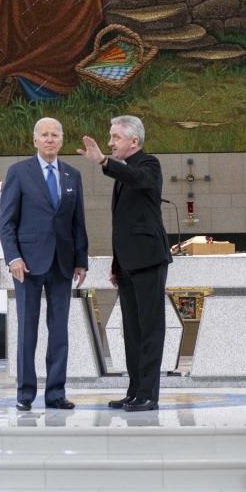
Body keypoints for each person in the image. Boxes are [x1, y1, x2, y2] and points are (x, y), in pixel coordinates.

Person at [78, 115, 171, 413]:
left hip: (149, 260)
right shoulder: (124, 171)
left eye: (115, 137)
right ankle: (134, 392)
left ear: (134, 140)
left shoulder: (149, 165)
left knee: (150, 330)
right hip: (128, 264)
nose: (110, 142)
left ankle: (149, 395)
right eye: (110, 137)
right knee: (131, 331)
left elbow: (138, 179)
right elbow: (125, 225)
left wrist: (104, 161)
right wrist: (117, 264)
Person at [0, 117, 88, 411]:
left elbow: (78, 222)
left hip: (62, 263)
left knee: (59, 331)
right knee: (28, 330)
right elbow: (7, 222)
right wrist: (13, 257)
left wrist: (81, 260)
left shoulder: (72, 175)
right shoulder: (18, 172)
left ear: (61, 140)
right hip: (26, 265)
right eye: (44, 135)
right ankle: (25, 394)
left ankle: (56, 393)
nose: (50, 139)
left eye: (55, 135)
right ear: (35, 140)